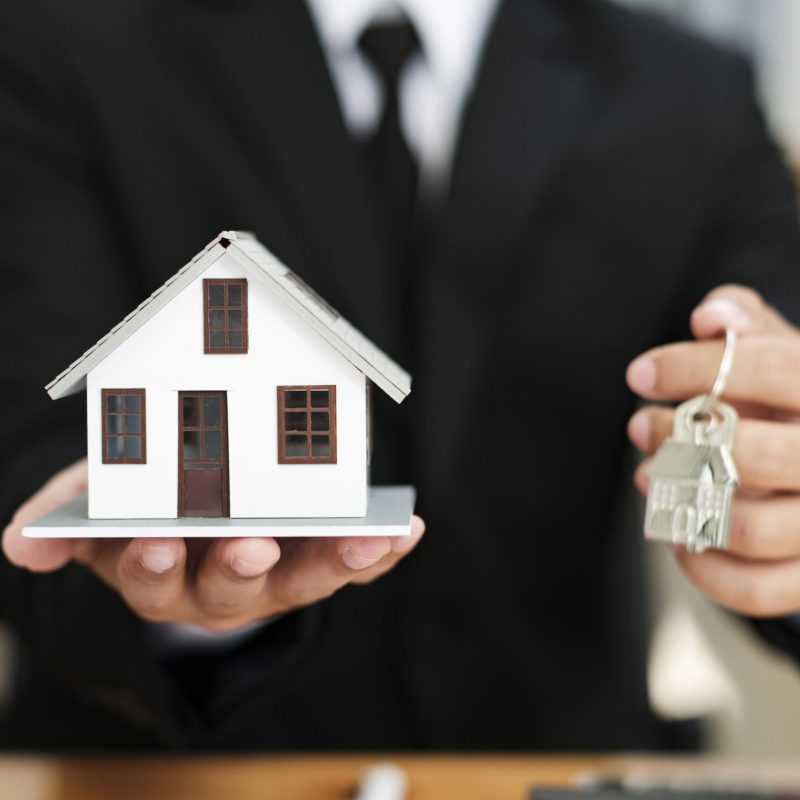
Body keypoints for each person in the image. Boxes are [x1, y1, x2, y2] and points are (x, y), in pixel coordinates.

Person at [1, 0, 799, 750]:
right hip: (155, 770)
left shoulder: (696, 92)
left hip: (547, 758)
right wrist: (161, 588)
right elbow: (27, 451)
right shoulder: (58, 41)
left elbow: (781, 385)